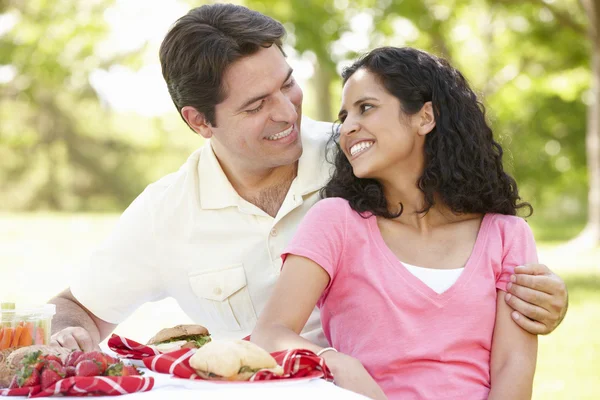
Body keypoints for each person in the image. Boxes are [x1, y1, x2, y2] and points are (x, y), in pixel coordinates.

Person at [49, 4, 567, 353]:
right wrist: (70, 337)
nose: (285, 112)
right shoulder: (166, 212)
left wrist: (544, 295)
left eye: (287, 83)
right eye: (256, 105)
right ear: (199, 121)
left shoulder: (363, 153)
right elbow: (78, 306)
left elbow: (472, 236)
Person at [251, 47, 540, 400]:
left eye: (366, 108)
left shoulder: (506, 235)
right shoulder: (336, 222)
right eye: (344, 117)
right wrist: (338, 363)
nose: (347, 127)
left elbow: (514, 365)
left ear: (425, 117)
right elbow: (270, 333)